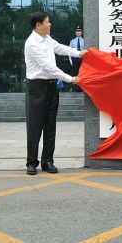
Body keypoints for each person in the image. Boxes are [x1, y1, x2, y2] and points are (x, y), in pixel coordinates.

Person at [24, 11, 87, 175]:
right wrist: (69, 78)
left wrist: (79, 53)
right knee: (35, 126)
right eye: (47, 22)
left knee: (50, 126)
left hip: (51, 87)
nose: (50, 24)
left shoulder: (47, 39)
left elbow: (60, 48)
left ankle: (48, 161)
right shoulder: (31, 43)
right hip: (37, 88)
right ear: (38, 25)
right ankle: (31, 162)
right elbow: (47, 67)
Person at [69, 26, 85, 91]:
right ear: (75, 32)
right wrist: (70, 60)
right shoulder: (72, 41)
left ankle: (81, 88)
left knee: (81, 72)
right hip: (75, 58)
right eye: (77, 31)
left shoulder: (84, 40)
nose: (78, 32)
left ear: (82, 32)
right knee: (74, 73)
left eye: (79, 31)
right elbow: (69, 51)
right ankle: (74, 88)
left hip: (82, 58)